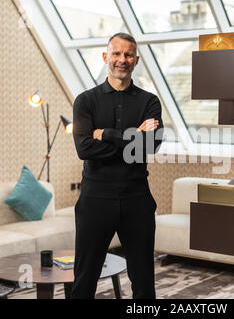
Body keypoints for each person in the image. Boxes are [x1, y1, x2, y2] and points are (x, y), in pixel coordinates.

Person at [70, 32, 163, 299]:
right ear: (105, 57)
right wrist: (133, 137)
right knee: (84, 279)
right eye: (116, 54)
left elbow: (149, 147)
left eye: (128, 54)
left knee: (144, 281)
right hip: (95, 199)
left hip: (137, 199)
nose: (122, 60)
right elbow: (83, 149)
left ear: (136, 60)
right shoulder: (85, 101)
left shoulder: (150, 101)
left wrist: (106, 134)